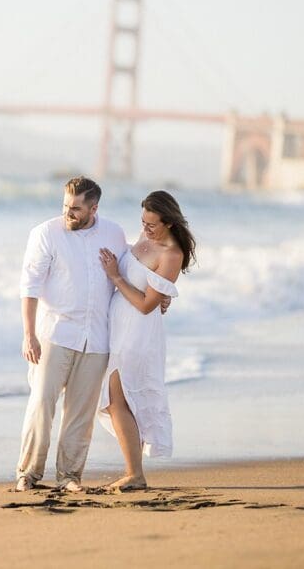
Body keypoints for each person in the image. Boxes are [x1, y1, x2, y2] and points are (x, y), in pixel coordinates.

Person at [14, 176, 129, 493]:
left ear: (94, 208)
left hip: (97, 338)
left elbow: (131, 271)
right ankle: (28, 473)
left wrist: (159, 295)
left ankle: (69, 477)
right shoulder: (45, 233)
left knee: (81, 413)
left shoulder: (114, 233)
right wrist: (29, 334)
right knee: (41, 404)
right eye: (66, 206)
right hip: (56, 333)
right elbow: (30, 285)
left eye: (77, 208)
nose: (69, 213)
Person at [96, 189, 196, 491]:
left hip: (137, 333)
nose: (146, 229)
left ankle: (135, 474)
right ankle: (133, 471)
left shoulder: (171, 254)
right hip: (116, 327)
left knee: (117, 400)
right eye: (143, 222)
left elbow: (146, 305)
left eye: (152, 225)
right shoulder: (144, 239)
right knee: (122, 400)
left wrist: (115, 277)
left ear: (168, 223)